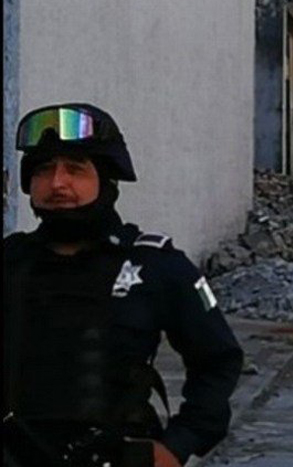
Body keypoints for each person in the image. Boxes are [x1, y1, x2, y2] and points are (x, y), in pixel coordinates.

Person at [3, 103, 244, 467]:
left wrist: (180, 443)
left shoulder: (154, 266)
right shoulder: (11, 261)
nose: (57, 183)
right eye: (44, 170)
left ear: (106, 179)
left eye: (75, 169)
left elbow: (218, 360)